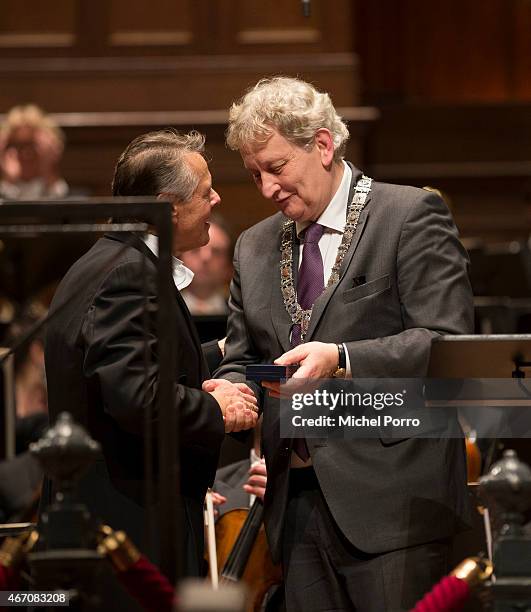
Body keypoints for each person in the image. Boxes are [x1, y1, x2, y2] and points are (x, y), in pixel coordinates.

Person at [213, 77, 474, 611]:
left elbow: (447, 342)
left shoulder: (409, 214)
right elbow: (244, 359)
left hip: (395, 503)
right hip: (296, 509)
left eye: (277, 167)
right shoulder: (253, 246)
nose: (266, 188)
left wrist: (343, 359)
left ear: (323, 145)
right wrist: (232, 392)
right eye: (255, 173)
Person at [43, 129, 258, 576]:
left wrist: (217, 352)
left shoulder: (112, 260)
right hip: (129, 521)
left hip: (117, 509)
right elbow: (138, 398)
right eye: (205, 191)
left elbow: (127, 366)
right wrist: (216, 407)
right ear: (167, 205)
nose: (217, 199)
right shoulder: (129, 274)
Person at [0, 105, 69, 200]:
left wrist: (48, 172)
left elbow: (63, 205)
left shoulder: (79, 194)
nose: (26, 154)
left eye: (32, 144)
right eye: (17, 145)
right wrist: (8, 182)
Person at [181, 215, 233, 315]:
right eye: (195, 250)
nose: (206, 257)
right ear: (180, 258)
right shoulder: (160, 313)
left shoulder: (243, 318)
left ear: (229, 266)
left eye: (216, 251)